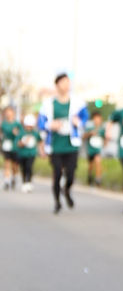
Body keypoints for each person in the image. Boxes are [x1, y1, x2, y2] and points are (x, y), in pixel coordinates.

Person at [41, 73, 87, 213]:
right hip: (55, 145)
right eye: (63, 82)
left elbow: (85, 118)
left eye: (68, 82)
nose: (66, 85)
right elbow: (41, 123)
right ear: (57, 85)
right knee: (57, 173)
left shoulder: (77, 102)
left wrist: (78, 122)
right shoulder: (48, 104)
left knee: (71, 174)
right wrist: (50, 125)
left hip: (71, 144)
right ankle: (57, 202)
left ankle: (67, 190)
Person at [16, 114, 41, 192]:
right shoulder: (21, 133)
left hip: (31, 153)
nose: (29, 127)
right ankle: (24, 182)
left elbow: (40, 141)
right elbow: (17, 143)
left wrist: (42, 151)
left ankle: (28, 182)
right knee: (23, 168)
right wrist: (23, 142)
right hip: (22, 153)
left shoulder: (35, 133)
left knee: (29, 167)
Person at [1, 106, 22, 190]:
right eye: (7, 112)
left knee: (14, 165)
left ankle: (14, 177)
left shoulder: (17, 124)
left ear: (13, 113)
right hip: (6, 145)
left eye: (9, 112)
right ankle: (6, 181)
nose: (8, 114)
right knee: (7, 163)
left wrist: (17, 133)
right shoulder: (3, 124)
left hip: (15, 146)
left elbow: (21, 134)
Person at [84, 110, 105, 185]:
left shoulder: (102, 129)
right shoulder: (90, 127)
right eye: (95, 119)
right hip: (90, 149)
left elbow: (104, 138)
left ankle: (98, 178)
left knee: (98, 161)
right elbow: (84, 136)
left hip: (98, 149)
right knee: (91, 165)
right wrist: (90, 133)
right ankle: (89, 177)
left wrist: (105, 143)